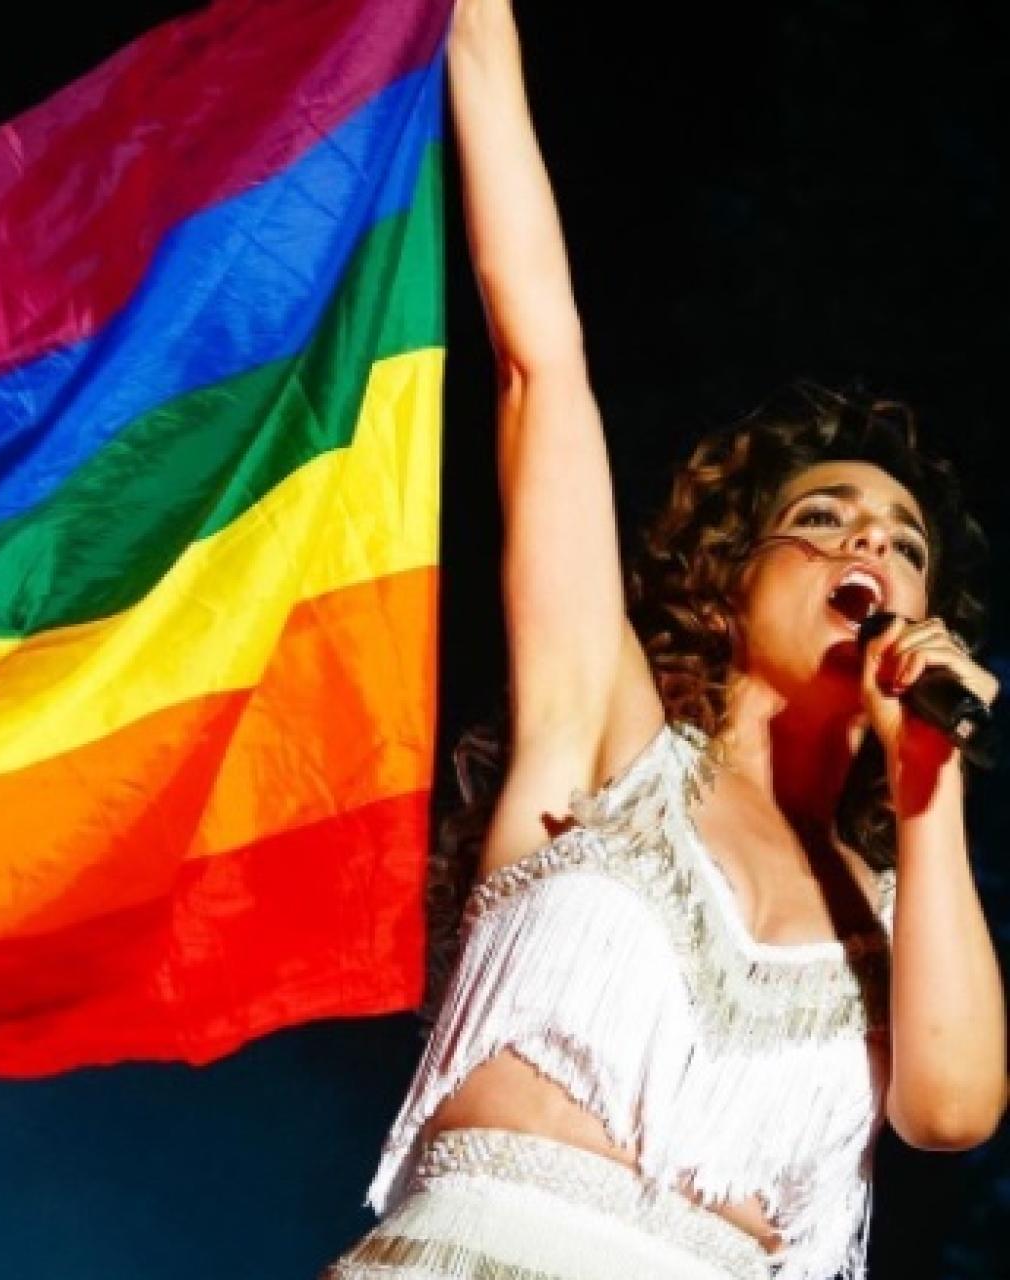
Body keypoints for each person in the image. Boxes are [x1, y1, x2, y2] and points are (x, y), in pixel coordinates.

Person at [321, 2, 1007, 1278]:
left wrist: (927, 781)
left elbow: (951, 1107)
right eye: (820, 518)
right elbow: (537, 359)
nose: (868, 541)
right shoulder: (603, 730)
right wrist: (474, 26)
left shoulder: (893, 909)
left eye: (902, 541)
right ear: (727, 584)